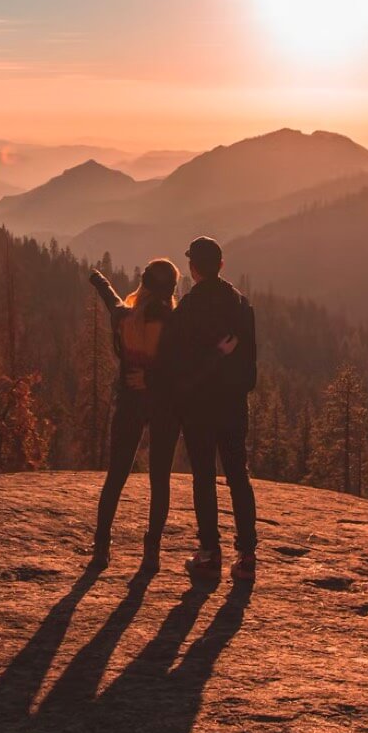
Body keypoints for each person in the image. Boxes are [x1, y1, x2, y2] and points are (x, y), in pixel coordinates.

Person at [155, 236, 259, 583]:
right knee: (238, 477)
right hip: (233, 405)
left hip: (199, 408)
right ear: (221, 266)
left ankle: (209, 554)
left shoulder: (188, 308)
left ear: (193, 268)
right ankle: (246, 557)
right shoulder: (241, 305)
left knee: (203, 477)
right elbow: (250, 367)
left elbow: (174, 362)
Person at [87, 260, 183, 570]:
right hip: (165, 406)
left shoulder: (124, 317)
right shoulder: (174, 324)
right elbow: (180, 369)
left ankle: (101, 546)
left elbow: (111, 297)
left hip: (130, 403)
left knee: (116, 476)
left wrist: (98, 279)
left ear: (143, 285)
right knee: (160, 480)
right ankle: (151, 551)